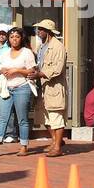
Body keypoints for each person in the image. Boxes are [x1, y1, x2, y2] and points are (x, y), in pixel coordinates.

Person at [0, 26, 35, 156]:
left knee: (22, 119)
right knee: (3, 118)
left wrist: (17, 70)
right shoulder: (5, 53)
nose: (14, 39)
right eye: (12, 37)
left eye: (17, 37)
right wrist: (2, 70)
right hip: (6, 88)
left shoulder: (27, 52)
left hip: (22, 88)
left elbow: (32, 70)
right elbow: (0, 67)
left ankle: (24, 146)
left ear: (21, 38)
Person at [30, 18, 68, 157]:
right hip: (42, 87)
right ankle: (55, 141)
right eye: (38, 29)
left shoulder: (58, 46)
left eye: (41, 29)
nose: (39, 32)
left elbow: (58, 68)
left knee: (56, 117)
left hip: (54, 87)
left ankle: (58, 147)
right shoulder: (41, 46)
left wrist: (41, 74)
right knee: (44, 117)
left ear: (48, 31)